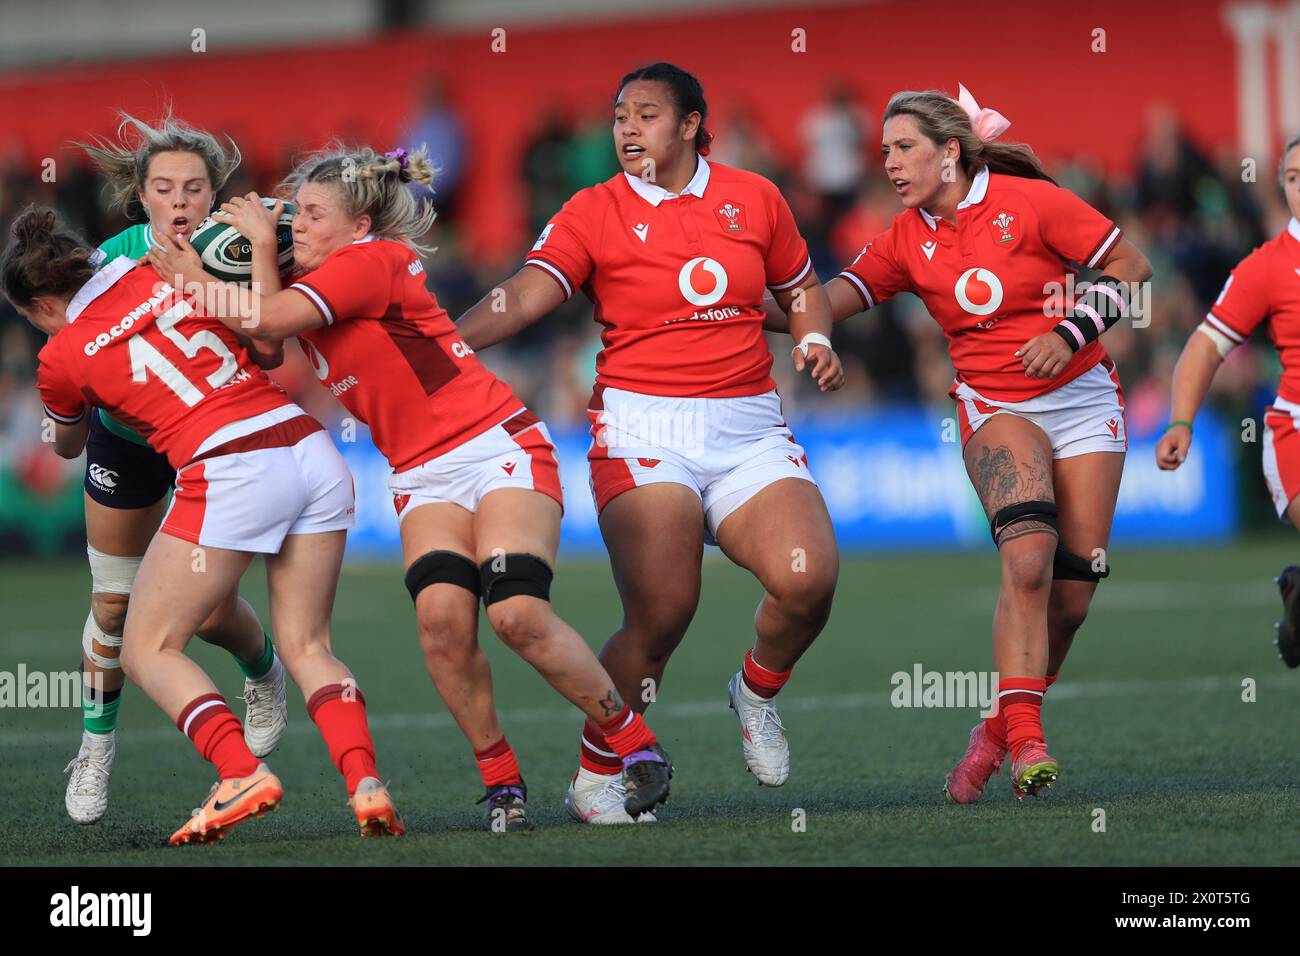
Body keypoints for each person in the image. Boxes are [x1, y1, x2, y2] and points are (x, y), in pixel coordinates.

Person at [146, 144, 675, 830]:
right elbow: (269, 345)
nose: (294, 224)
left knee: (514, 614)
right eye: (295, 212)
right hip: (422, 473)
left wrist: (195, 271)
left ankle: (635, 745)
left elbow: (269, 323)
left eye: (312, 214)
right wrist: (243, 261)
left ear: (359, 227)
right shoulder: (305, 280)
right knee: (442, 628)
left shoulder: (372, 262)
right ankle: (502, 783)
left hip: (495, 446)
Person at [456, 62, 845, 823]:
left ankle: (756, 692)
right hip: (644, 429)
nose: (627, 129)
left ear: (692, 124)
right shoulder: (592, 209)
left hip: (747, 428)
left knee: (809, 580)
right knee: (663, 612)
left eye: (646, 115)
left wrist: (817, 336)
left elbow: (800, 288)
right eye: (619, 116)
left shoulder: (755, 196)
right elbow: (530, 290)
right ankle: (601, 771)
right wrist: (451, 341)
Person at [793, 85, 1152, 800]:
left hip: (1083, 402)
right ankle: (1027, 743)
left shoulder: (1034, 203)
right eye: (885, 151)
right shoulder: (902, 237)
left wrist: (1069, 332)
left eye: (904, 149)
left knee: (1072, 601)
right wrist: (769, 314)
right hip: (996, 406)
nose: (890, 164)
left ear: (949, 151)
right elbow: (831, 297)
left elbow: (1132, 270)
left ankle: (993, 731)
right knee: (1028, 559)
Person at [4, 207, 402, 844]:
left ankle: (240, 771)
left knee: (145, 647)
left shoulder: (60, 355)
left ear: (40, 304)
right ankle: (365, 783)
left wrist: (60, 421)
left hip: (231, 466)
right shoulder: (162, 273)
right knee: (309, 646)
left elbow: (68, 445)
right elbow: (261, 340)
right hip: (309, 447)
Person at [61, 113, 287, 826]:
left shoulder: (235, 251)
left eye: (194, 188)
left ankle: (264, 671)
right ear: (142, 195)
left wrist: (237, 275)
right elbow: (75, 355)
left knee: (212, 612)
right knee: (113, 603)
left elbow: (274, 353)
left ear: (214, 194)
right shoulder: (111, 260)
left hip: (205, 442)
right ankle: (96, 750)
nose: (182, 202)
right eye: (165, 188)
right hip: (128, 443)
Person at [1158, 133, 1300, 668]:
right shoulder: (1266, 267)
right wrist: (1181, 422)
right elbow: (1204, 346)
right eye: (1292, 178)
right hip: (1295, 436)